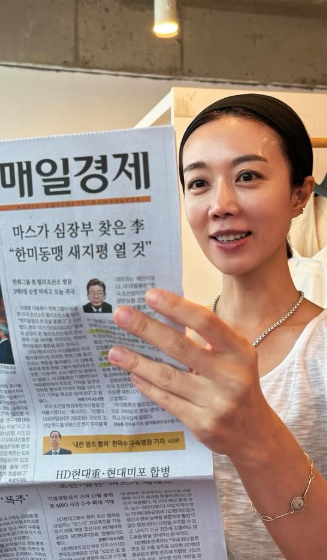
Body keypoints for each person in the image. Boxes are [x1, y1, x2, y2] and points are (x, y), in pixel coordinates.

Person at [108, 94, 327, 560]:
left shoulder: (319, 351)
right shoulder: (167, 348)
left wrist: (256, 437)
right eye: (199, 183)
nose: (220, 205)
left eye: (247, 176)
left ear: (299, 195)